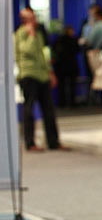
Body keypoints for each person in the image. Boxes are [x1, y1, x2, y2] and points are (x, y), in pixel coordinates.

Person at [14, 8, 68, 151]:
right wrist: (31, 35)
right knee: (29, 109)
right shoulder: (20, 34)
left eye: (33, 18)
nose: (34, 21)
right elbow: (27, 51)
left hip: (42, 75)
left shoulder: (39, 34)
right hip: (28, 74)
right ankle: (30, 143)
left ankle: (53, 142)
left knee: (49, 109)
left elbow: (44, 54)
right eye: (30, 18)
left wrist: (50, 72)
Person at [52, 25, 80, 107]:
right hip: (69, 65)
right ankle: (71, 103)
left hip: (61, 66)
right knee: (71, 85)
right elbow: (77, 50)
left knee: (62, 85)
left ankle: (62, 103)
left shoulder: (58, 40)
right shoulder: (73, 40)